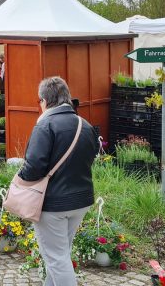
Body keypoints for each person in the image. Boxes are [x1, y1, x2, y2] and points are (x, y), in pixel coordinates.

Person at [17, 76, 99, 286]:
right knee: (60, 255)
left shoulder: (45, 126)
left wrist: (21, 176)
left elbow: (33, 167)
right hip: (81, 200)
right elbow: (91, 157)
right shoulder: (85, 125)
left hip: (53, 204)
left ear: (44, 100)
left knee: (56, 259)